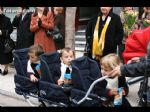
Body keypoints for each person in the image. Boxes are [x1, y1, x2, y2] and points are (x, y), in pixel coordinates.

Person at [0, 7, 13, 75]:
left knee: (6, 56)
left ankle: (6, 69)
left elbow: (11, 29)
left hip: (4, 41)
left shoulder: (7, 19)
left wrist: (2, 32)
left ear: (2, 10)